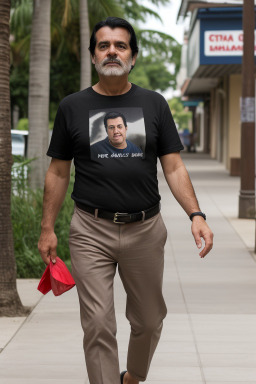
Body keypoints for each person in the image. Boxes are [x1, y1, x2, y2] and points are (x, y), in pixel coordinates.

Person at [38, 17, 213, 384]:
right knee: (98, 323)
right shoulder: (73, 106)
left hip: (146, 230)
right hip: (90, 228)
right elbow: (57, 171)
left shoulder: (154, 104)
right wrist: (47, 228)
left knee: (149, 320)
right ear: (94, 55)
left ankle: (133, 376)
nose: (112, 51)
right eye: (104, 45)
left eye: (120, 46)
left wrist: (195, 214)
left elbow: (174, 167)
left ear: (132, 57)